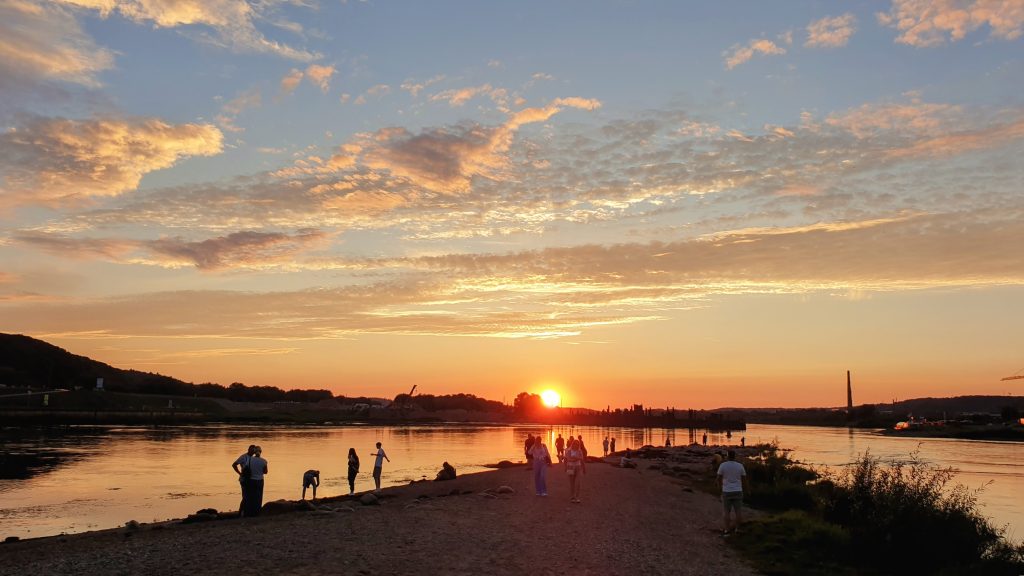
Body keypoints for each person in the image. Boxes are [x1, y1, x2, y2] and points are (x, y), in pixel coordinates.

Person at [716, 450, 747, 535]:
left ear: (727, 456)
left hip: (726, 491)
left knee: (726, 511)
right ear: (734, 456)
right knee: (738, 511)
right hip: (738, 490)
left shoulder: (723, 465)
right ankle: (737, 528)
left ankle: (727, 529)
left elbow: (718, 478)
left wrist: (720, 488)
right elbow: (744, 480)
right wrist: (746, 489)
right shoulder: (740, 466)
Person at [231, 444, 256, 516]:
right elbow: (234, 464)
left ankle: (247, 511)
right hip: (244, 479)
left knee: (250, 495)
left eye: (253, 450)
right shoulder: (243, 457)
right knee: (245, 496)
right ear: (248, 449)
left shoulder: (254, 458)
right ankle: (241, 512)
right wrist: (239, 473)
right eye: (251, 450)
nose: (252, 451)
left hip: (252, 479)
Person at [245, 445, 268, 517]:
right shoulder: (264, 461)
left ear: (254, 452)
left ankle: (250, 512)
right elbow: (265, 472)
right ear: (260, 452)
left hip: (251, 480)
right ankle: (257, 512)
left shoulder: (249, 460)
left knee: (251, 496)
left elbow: (246, 469)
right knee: (259, 496)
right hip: (260, 480)